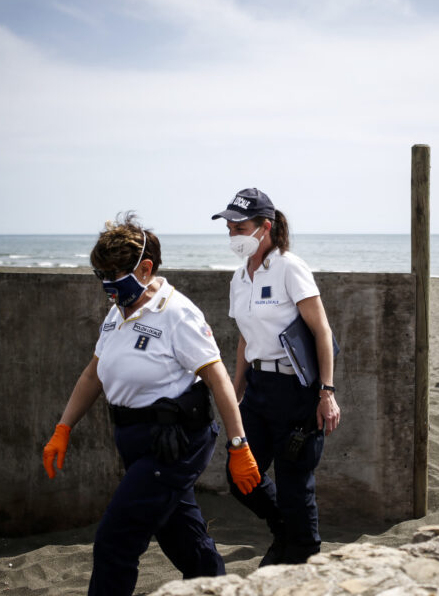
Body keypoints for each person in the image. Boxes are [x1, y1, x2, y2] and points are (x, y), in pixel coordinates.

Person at [41, 213, 261, 596]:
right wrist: (63, 428)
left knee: (115, 540)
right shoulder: (117, 314)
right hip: (134, 437)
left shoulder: (177, 313)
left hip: (173, 440)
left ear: (145, 268)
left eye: (115, 274)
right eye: (101, 275)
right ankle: (219, 589)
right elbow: (94, 374)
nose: (108, 284)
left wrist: (238, 445)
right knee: (183, 537)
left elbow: (218, 378)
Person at [211, 187, 341, 566]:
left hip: (296, 389)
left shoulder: (289, 267)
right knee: (240, 476)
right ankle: (284, 532)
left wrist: (326, 393)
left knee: (294, 484)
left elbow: (322, 331)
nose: (233, 233)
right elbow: (244, 340)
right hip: (258, 389)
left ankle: (301, 554)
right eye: (229, 226)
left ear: (264, 227)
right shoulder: (239, 277)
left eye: (239, 226)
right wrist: (236, 389)